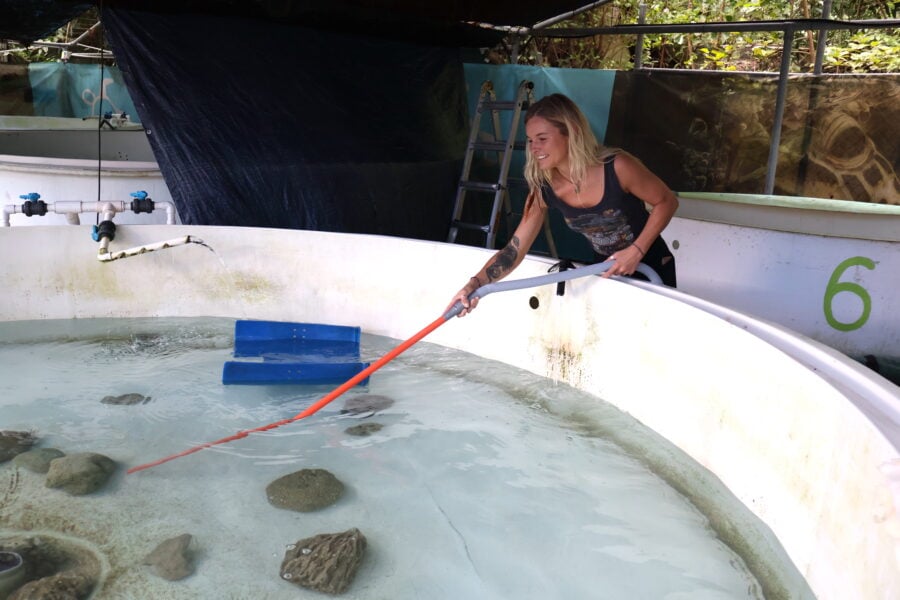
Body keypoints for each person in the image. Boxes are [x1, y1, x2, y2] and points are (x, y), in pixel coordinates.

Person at [449, 92, 678, 317]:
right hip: (607, 272)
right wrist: (474, 284)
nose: (533, 148)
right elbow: (514, 250)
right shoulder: (544, 187)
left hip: (651, 267)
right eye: (530, 140)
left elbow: (667, 201)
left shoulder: (617, 167)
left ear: (571, 133)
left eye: (542, 138)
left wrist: (636, 251)